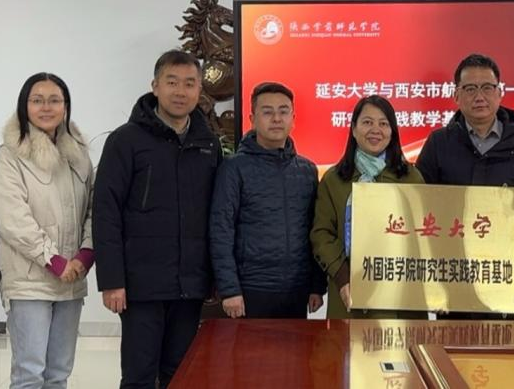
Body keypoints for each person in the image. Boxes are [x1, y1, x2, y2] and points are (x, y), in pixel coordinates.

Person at [93, 50, 221, 388]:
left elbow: (215, 214)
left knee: (180, 373)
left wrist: (214, 276)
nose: (181, 91)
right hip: (140, 285)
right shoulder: (125, 140)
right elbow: (106, 212)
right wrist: (112, 280)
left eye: (189, 83)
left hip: (189, 285)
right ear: (155, 86)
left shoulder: (208, 144)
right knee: (139, 375)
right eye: (172, 82)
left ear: (199, 90)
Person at [415, 53, 514, 320]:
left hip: (507, 276)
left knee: (506, 347)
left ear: (499, 93)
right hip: (453, 276)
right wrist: (429, 280)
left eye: (487, 87)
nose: (479, 96)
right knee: (454, 345)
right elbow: (420, 208)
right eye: (470, 88)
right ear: (456, 95)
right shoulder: (439, 144)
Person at [0, 72, 95, 387]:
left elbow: (94, 209)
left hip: (71, 280)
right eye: (37, 100)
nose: (46, 107)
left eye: (54, 100)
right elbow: (12, 219)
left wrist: (85, 254)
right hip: (29, 280)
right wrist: (53, 260)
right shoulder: (11, 155)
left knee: (58, 374)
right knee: (29, 373)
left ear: (66, 106)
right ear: (25, 106)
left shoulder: (78, 153)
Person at [210, 82, 325, 319]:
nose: (276, 119)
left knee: (296, 346)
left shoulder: (307, 170)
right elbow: (221, 230)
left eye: (283, 111)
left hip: (296, 290)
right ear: (252, 119)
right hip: (251, 289)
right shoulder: (233, 168)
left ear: (293, 119)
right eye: (267, 112)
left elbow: (315, 230)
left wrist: (316, 285)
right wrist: (229, 289)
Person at [310, 95, 429, 319]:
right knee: (349, 342)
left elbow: (426, 234)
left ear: (392, 132)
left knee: (400, 342)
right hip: (350, 290)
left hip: (402, 292)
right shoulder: (334, 179)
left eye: (383, 123)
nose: (376, 130)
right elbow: (322, 234)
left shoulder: (411, 177)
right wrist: (343, 277)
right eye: (367, 122)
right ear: (354, 129)